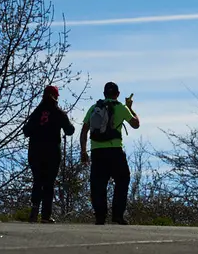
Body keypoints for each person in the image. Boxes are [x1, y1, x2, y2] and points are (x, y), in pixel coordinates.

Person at [80, 82, 140, 225]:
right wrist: (130, 108)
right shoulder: (121, 108)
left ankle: (100, 217)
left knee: (98, 184)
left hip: (97, 151)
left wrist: (83, 150)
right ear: (117, 94)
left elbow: (84, 131)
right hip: (115, 151)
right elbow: (136, 124)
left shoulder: (94, 108)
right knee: (122, 180)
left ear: (104, 94)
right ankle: (117, 215)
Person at [22, 85, 75, 223]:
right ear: (55, 96)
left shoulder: (37, 112)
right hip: (52, 152)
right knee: (49, 183)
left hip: (35, 151)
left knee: (37, 180)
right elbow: (69, 130)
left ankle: (34, 212)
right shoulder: (58, 112)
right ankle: (45, 215)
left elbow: (26, 131)